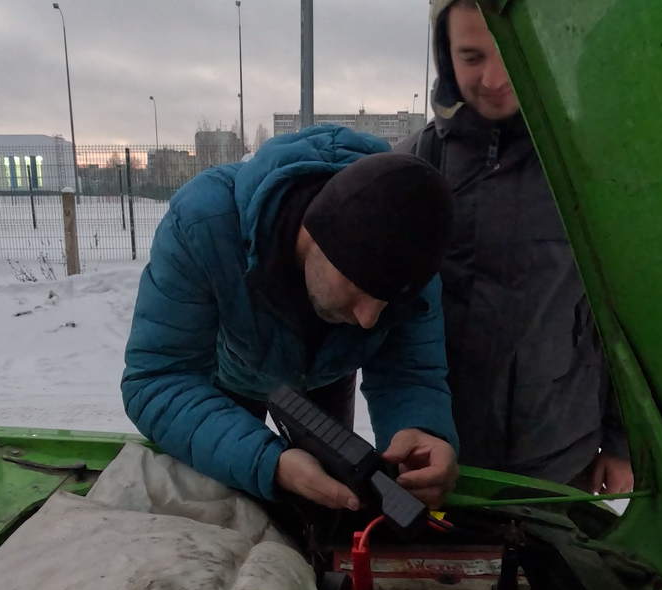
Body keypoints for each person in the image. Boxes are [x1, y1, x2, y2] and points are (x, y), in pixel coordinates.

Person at [122, 126, 460, 510]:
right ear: (315, 233)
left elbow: (410, 373)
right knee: (235, 496)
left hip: (327, 375)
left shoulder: (410, 251)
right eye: (361, 287)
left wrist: (420, 430)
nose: (369, 320)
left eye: (387, 302)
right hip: (233, 379)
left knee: (326, 497)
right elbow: (157, 379)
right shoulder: (203, 226)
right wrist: (269, 463)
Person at [398, 0, 633, 494]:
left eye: (510, 50)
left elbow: (627, 311)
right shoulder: (418, 165)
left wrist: (620, 441)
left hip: (559, 456)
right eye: (472, 57)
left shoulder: (591, 167)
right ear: (445, 55)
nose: (494, 78)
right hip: (446, 461)